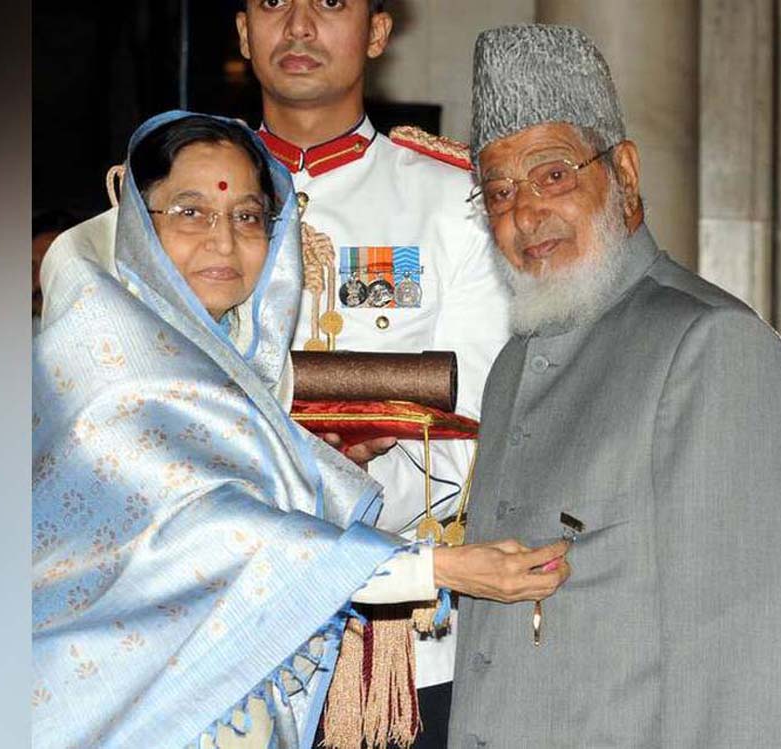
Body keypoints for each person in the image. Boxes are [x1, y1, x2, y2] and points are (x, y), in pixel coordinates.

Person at [32, 111, 569, 749]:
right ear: (137, 226)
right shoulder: (113, 362)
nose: (223, 242)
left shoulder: (229, 356)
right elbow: (225, 540)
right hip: (132, 707)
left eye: (248, 217)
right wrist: (443, 570)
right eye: (190, 212)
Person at [447, 25, 781, 748]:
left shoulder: (708, 347)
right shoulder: (515, 362)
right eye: (497, 191)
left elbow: (748, 665)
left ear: (625, 175)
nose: (523, 214)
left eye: (552, 175)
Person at [234, 3, 512, 745]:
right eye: (271, 3)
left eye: (329, 2)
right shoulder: (185, 201)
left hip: (394, 646)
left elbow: (473, 431)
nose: (297, 26)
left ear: (378, 33)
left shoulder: (449, 201)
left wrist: (322, 497)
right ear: (240, 33)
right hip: (221, 635)